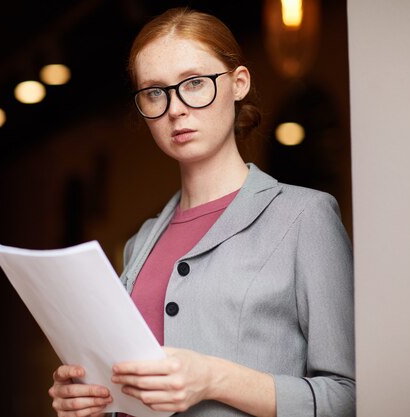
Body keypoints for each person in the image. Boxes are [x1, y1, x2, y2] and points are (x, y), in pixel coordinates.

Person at [48, 7, 355, 417]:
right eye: (155, 91)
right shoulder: (142, 240)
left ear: (239, 83)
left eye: (194, 83)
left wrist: (214, 378)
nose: (175, 108)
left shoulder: (305, 217)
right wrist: (88, 402)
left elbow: (349, 396)